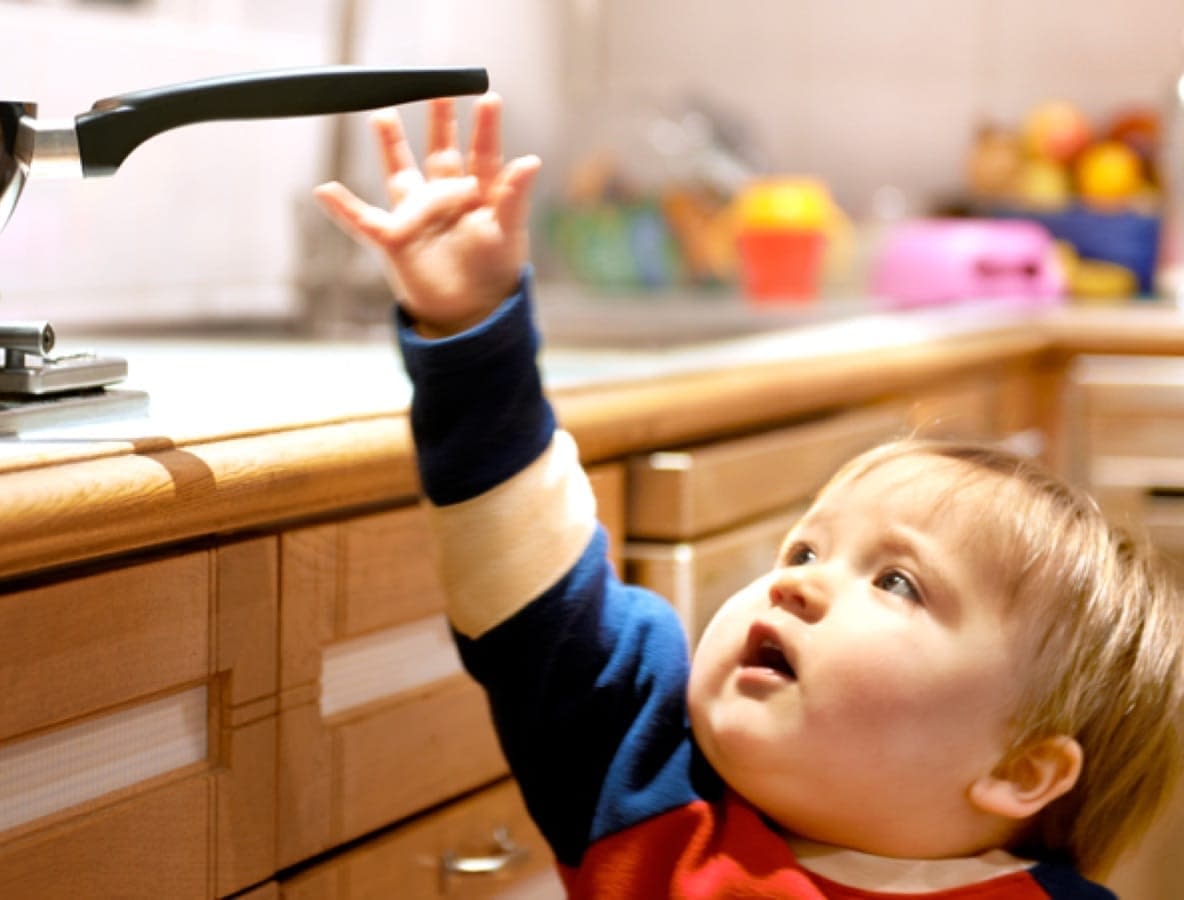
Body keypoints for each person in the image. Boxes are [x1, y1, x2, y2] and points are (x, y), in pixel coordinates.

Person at [313, 93, 1184, 899]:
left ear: (1022, 773)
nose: (795, 583)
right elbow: (533, 591)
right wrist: (472, 328)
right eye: (805, 550)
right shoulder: (651, 796)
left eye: (897, 583)